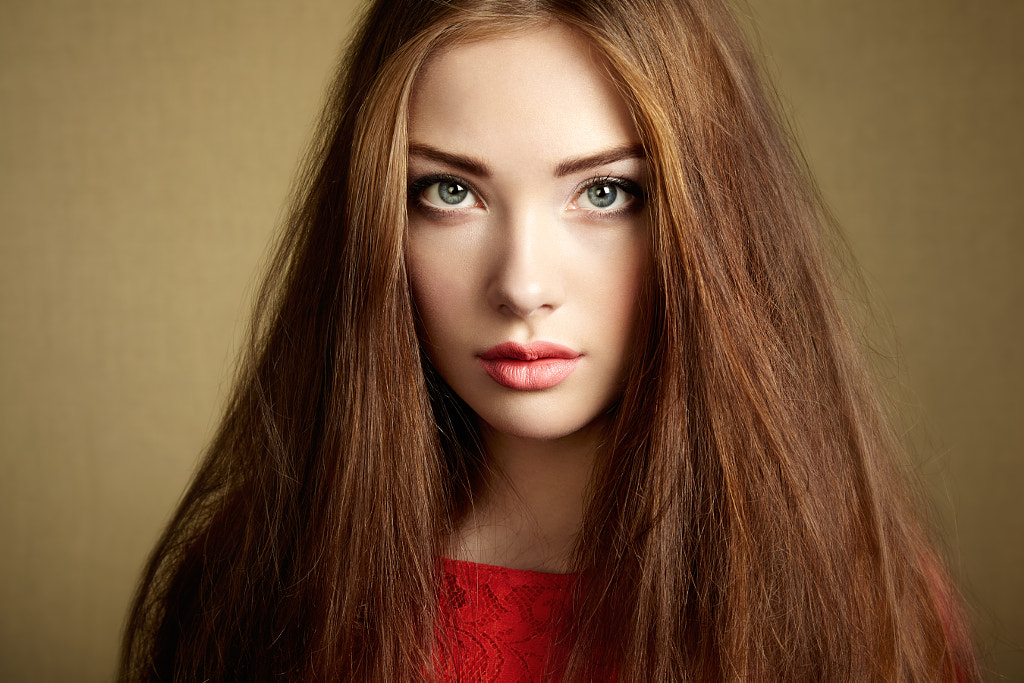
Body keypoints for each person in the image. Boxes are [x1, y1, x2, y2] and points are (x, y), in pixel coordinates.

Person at [119, 0, 979, 680]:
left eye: (605, 193)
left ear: (714, 219)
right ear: (376, 220)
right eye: (450, 192)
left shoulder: (857, 595)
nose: (524, 285)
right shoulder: (247, 585)